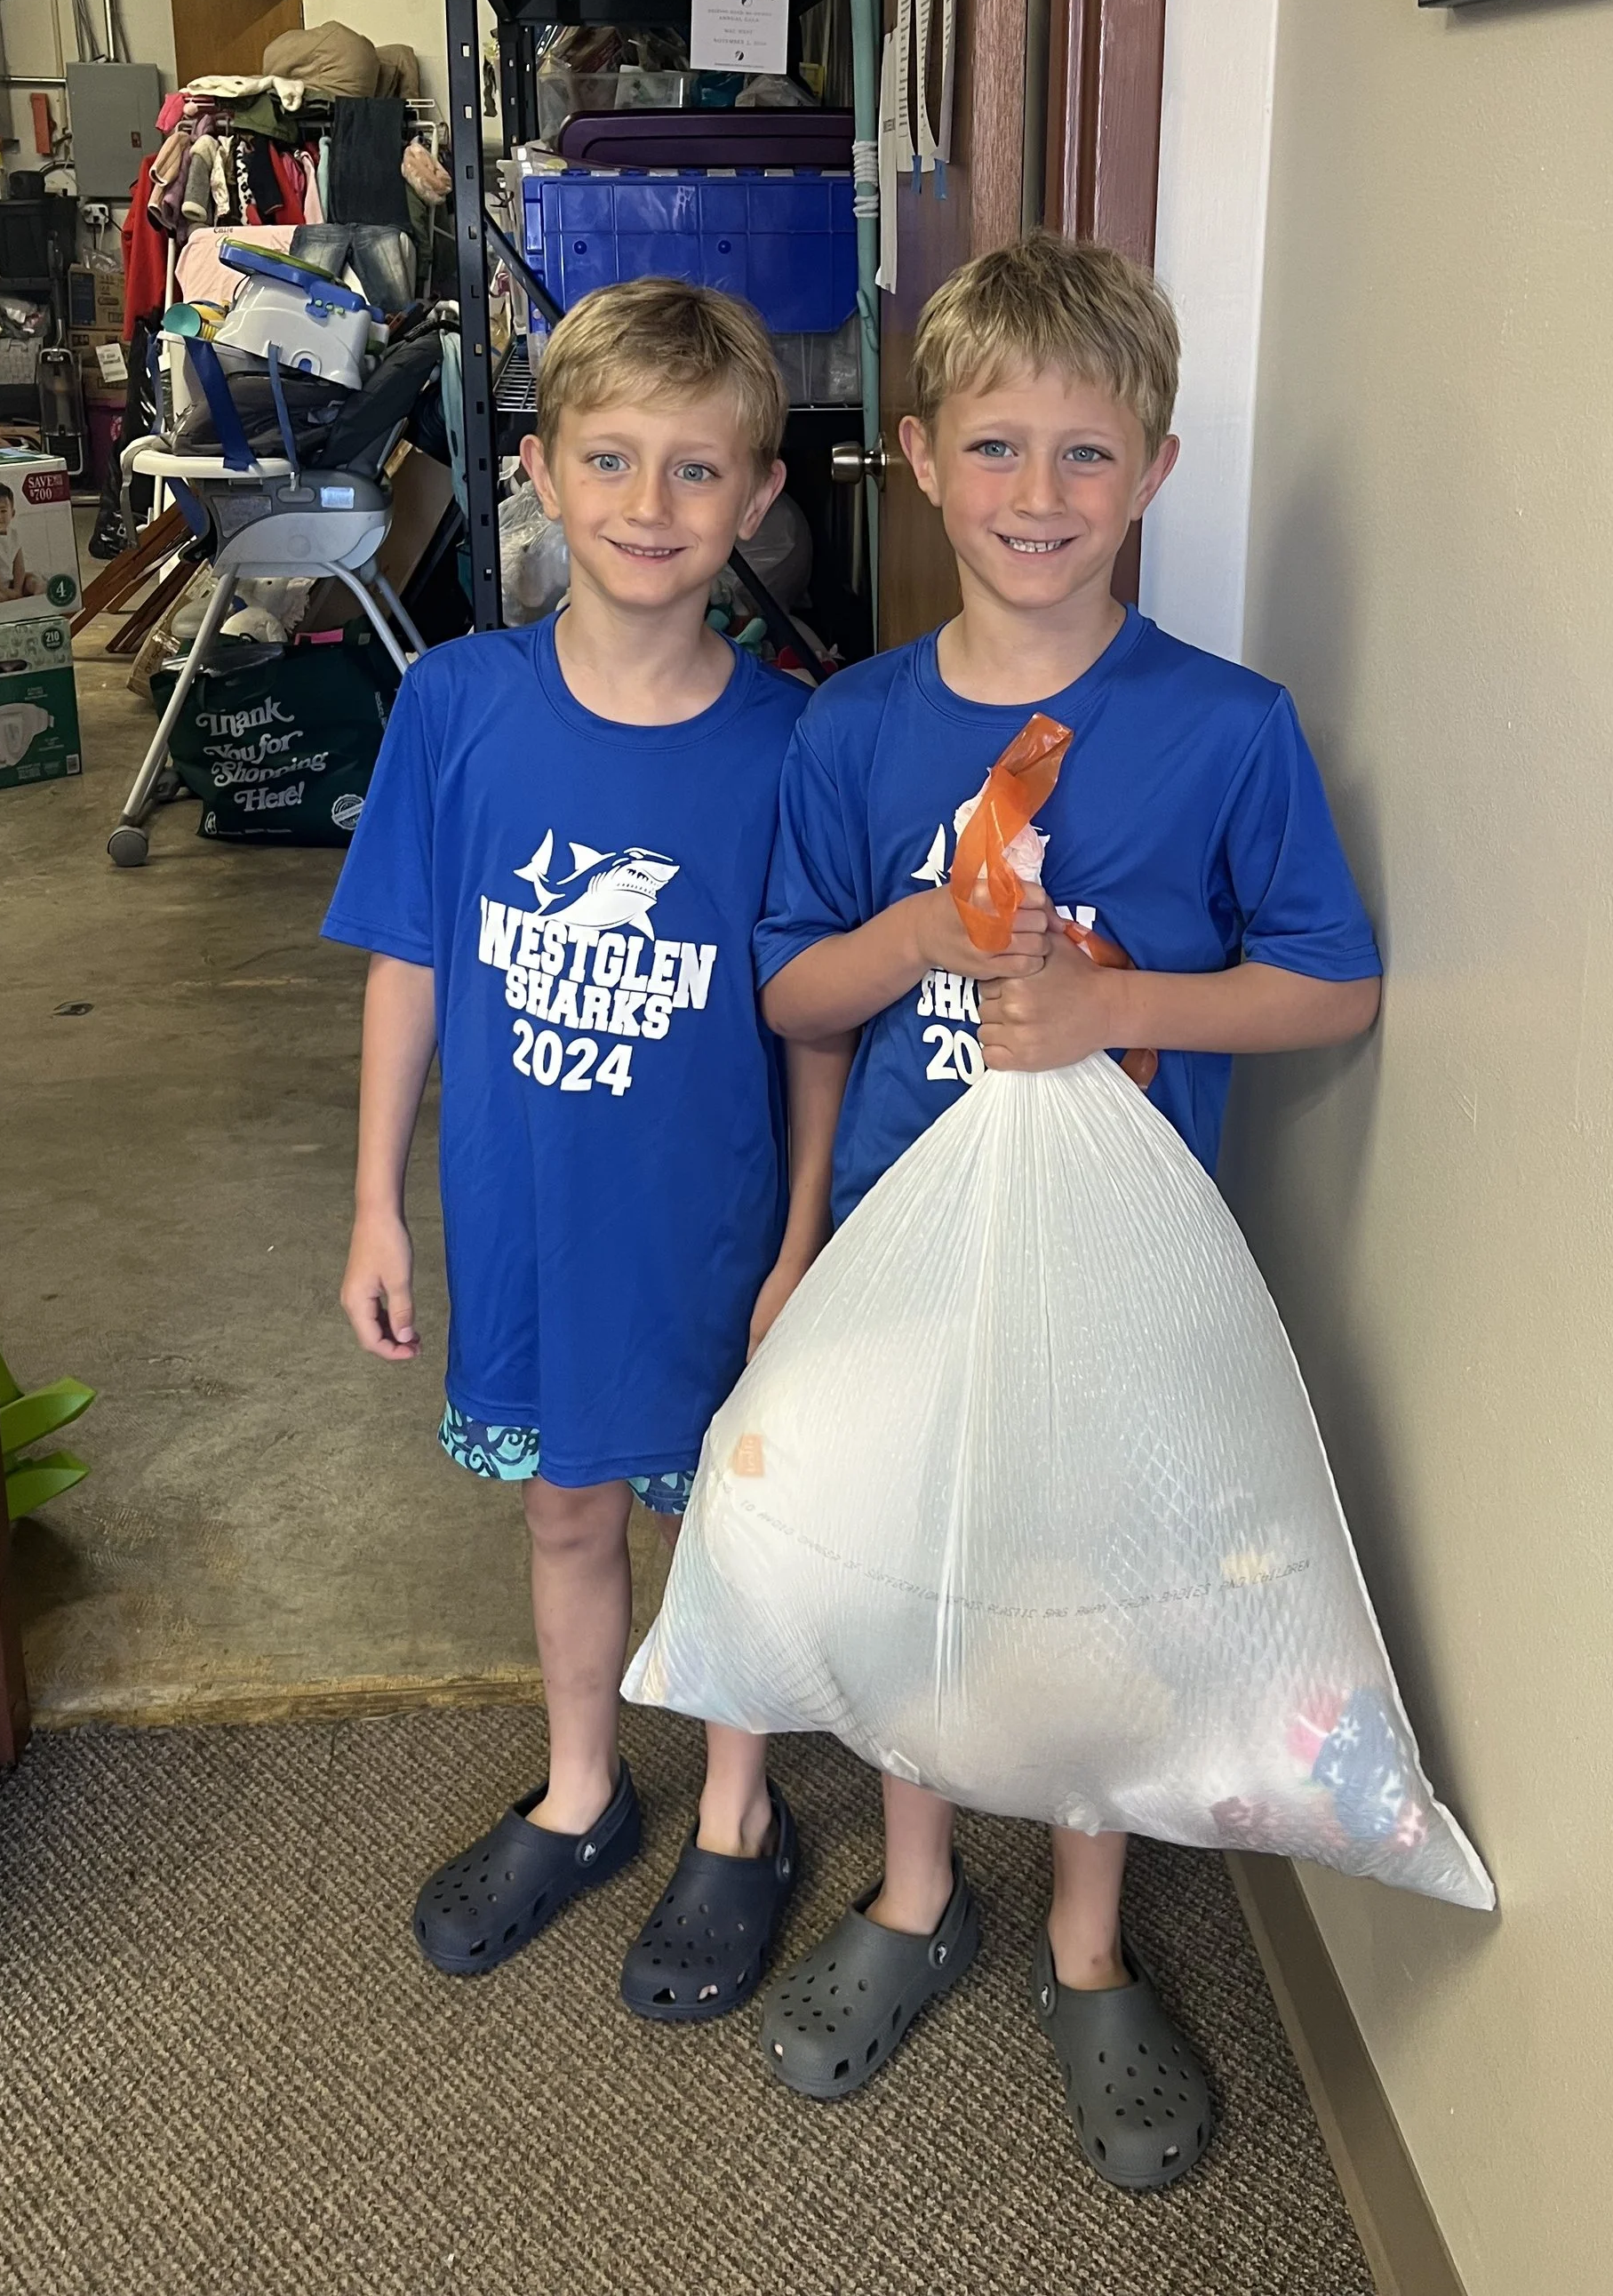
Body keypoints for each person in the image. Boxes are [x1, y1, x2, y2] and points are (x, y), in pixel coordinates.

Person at [751, 229, 1384, 2190]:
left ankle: (1084, 1938)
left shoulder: (1227, 728)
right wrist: (918, 937)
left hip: (1119, 1262)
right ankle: (916, 1888)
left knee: (1096, 1587)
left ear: (1155, 472)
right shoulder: (848, 730)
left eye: (1085, 456)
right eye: (997, 449)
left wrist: (1116, 1002)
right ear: (920, 459)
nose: (1039, 498)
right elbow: (791, 998)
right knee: (921, 1566)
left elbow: (1329, 983)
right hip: (899, 1245)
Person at [326, 279, 850, 2023]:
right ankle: (579, 1786)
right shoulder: (458, 707)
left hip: (705, 1232)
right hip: (527, 1216)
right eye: (609, 459)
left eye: (695, 471)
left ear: (758, 497)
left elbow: (810, 1023)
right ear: (537, 469)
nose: (646, 505)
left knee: (729, 1531)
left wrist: (795, 1249)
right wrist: (375, 1206)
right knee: (564, 1510)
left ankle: (733, 1812)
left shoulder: (794, 747)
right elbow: (408, 956)